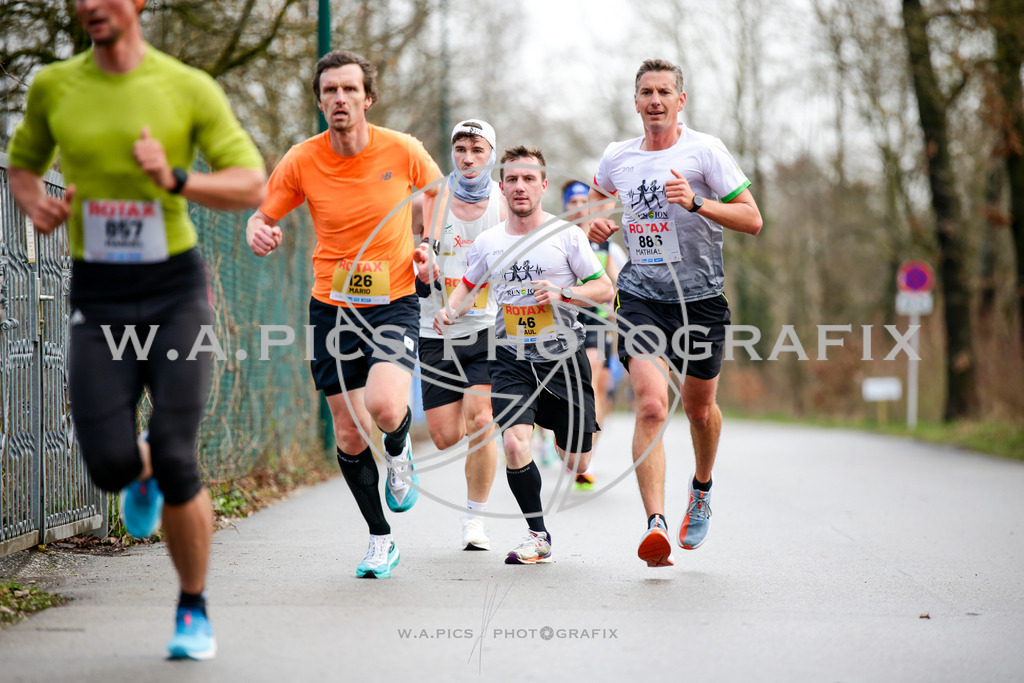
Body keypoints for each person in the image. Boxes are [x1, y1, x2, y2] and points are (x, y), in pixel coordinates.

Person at [6, 0, 266, 660]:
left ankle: (192, 607)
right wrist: (36, 203)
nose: (91, 5)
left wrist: (174, 177)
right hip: (98, 294)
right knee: (110, 463)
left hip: (175, 290)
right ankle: (140, 467)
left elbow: (249, 182)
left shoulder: (186, 86)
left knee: (180, 454)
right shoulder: (54, 86)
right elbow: (24, 162)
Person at [246, 50, 443, 579]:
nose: (339, 98)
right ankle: (381, 539)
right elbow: (262, 216)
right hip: (332, 307)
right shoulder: (302, 159)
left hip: (395, 299)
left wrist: (429, 244)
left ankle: (399, 453)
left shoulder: (401, 149)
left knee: (383, 405)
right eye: (329, 90)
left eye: (349, 89)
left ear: (367, 98)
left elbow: (436, 189)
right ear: (319, 100)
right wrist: (258, 232)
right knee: (349, 432)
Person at [588, 59, 763, 568]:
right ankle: (656, 525)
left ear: (680, 100)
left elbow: (752, 219)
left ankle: (701, 489)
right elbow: (597, 204)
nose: (656, 101)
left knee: (698, 411)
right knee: (650, 406)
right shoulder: (617, 156)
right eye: (647, 92)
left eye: (665, 91)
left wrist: (698, 203)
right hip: (640, 295)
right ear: (636, 101)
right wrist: (598, 225)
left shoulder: (704, 152)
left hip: (701, 300)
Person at [435, 146, 613, 564]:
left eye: (529, 179)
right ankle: (537, 534)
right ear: (502, 186)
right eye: (512, 179)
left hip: (563, 358)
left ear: (543, 185)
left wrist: (563, 293)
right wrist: (450, 310)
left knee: (577, 458)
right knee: (515, 443)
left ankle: (562, 437)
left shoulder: (566, 235)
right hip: (510, 356)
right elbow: (468, 283)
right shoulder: (488, 241)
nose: (520, 187)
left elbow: (604, 289)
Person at [415, 120, 507, 551]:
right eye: (460, 149)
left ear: (491, 153)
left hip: (485, 328)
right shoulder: (429, 202)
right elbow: (400, 252)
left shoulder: (504, 204)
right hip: (434, 329)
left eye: (477, 149)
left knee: (483, 421)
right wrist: (417, 265)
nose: (468, 158)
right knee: (445, 437)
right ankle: (402, 446)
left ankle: (475, 520)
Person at [560, 180, 627, 490]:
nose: (577, 208)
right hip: (560, 323)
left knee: (594, 386)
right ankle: (557, 436)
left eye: (582, 202)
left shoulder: (606, 246)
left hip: (597, 325)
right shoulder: (555, 239)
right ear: (564, 207)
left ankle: (588, 455)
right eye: (571, 203)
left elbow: (619, 288)